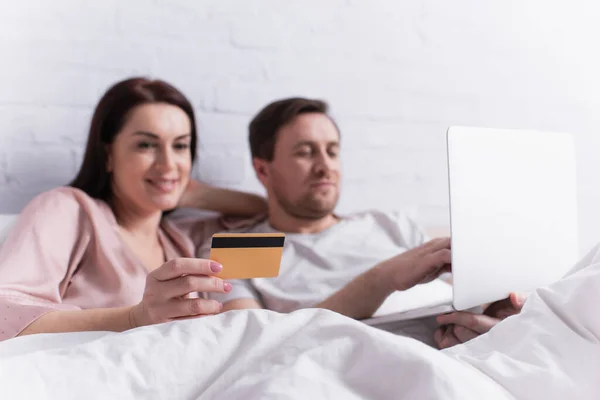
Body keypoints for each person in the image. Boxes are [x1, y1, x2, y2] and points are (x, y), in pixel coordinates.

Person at [195, 97, 526, 347]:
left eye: (332, 151)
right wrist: (381, 279)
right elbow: (253, 346)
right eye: (305, 152)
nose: (326, 167)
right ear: (263, 170)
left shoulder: (388, 224)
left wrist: (490, 314)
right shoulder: (240, 249)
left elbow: (460, 299)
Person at [0, 77, 267, 342]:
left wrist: (193, 193)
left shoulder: (182, 240)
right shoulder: (71, 210)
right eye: (146, 145)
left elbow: (266, 213)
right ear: (108, 155)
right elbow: (5, 312)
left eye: (180, 146)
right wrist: (133, 318)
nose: (168, 163)